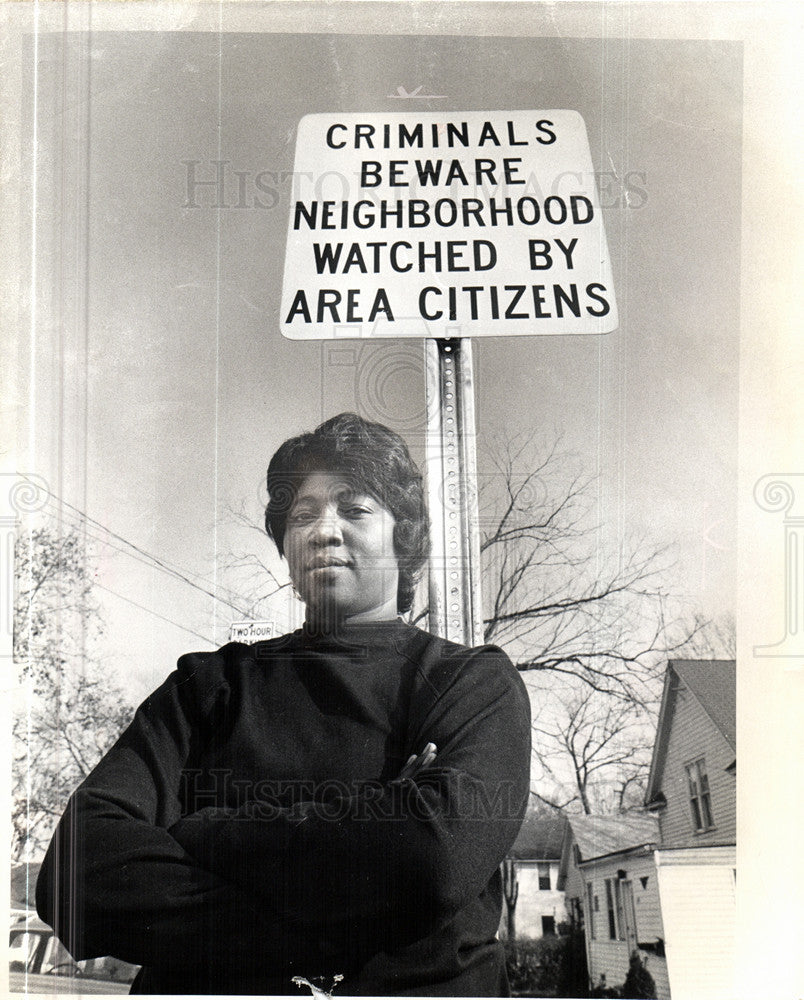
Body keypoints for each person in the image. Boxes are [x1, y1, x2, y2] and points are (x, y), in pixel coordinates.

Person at [37, 413, 532, 996]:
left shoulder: (468, 681)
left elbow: (431, 862)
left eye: (354, 508)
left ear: (405, 535)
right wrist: (362, 884)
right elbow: (76, 872)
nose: (323, 530)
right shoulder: (209, 685)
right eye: (302, 514)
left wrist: (210, 832)